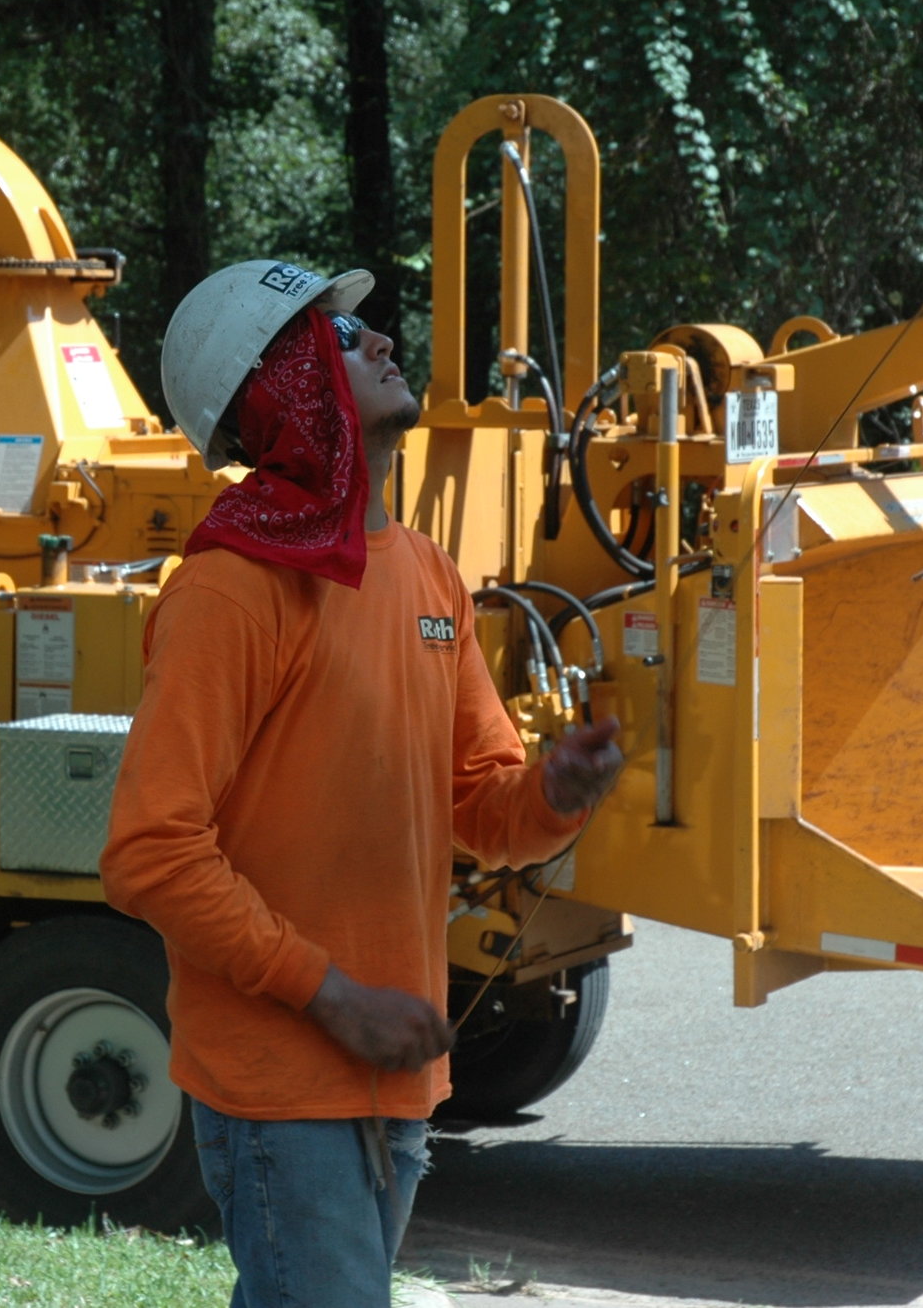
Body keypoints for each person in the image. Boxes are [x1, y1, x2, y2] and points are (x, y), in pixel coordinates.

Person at [103, 261, 625, 1305]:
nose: (383, 342)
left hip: (395, 1077)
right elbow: (149, 852)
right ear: (281, 390)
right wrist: (330, 996)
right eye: (343, 339)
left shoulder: (425, 572)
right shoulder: (230, 592)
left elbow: (483, 808)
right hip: (282, 1084)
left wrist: (552, 796)